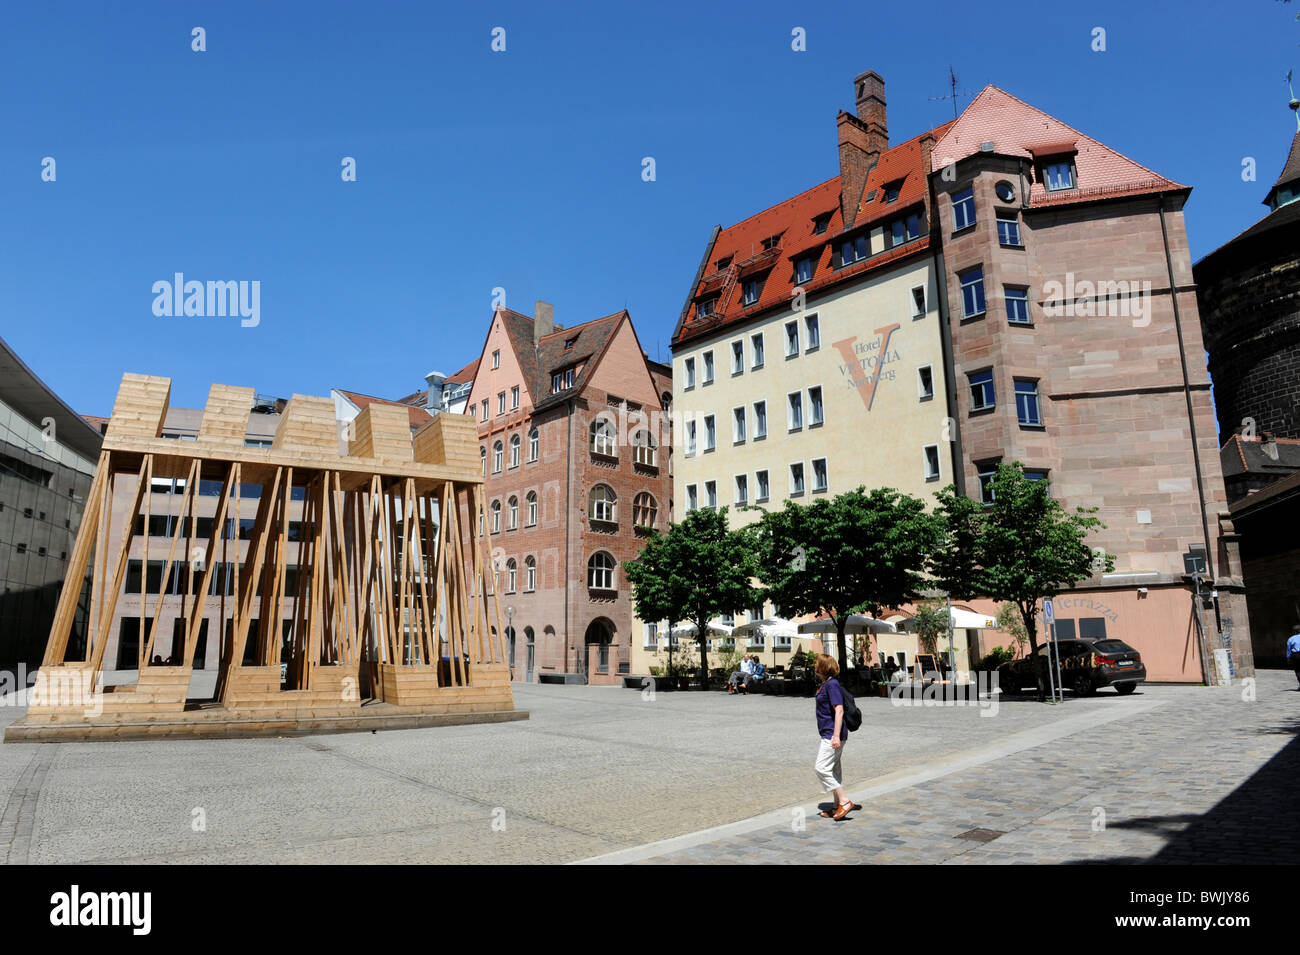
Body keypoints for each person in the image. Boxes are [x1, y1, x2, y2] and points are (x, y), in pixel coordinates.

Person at [813, 653, 854, 820]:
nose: (814, 666)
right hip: (829, 732)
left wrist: (836, 736)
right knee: (834, 770)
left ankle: (844, 801)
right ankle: (836, 806)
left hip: (832, 734)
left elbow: (839, 710)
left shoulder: (832, 685)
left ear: (823, 667)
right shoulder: (825, 684)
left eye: (816, 664)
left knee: (821, 768)